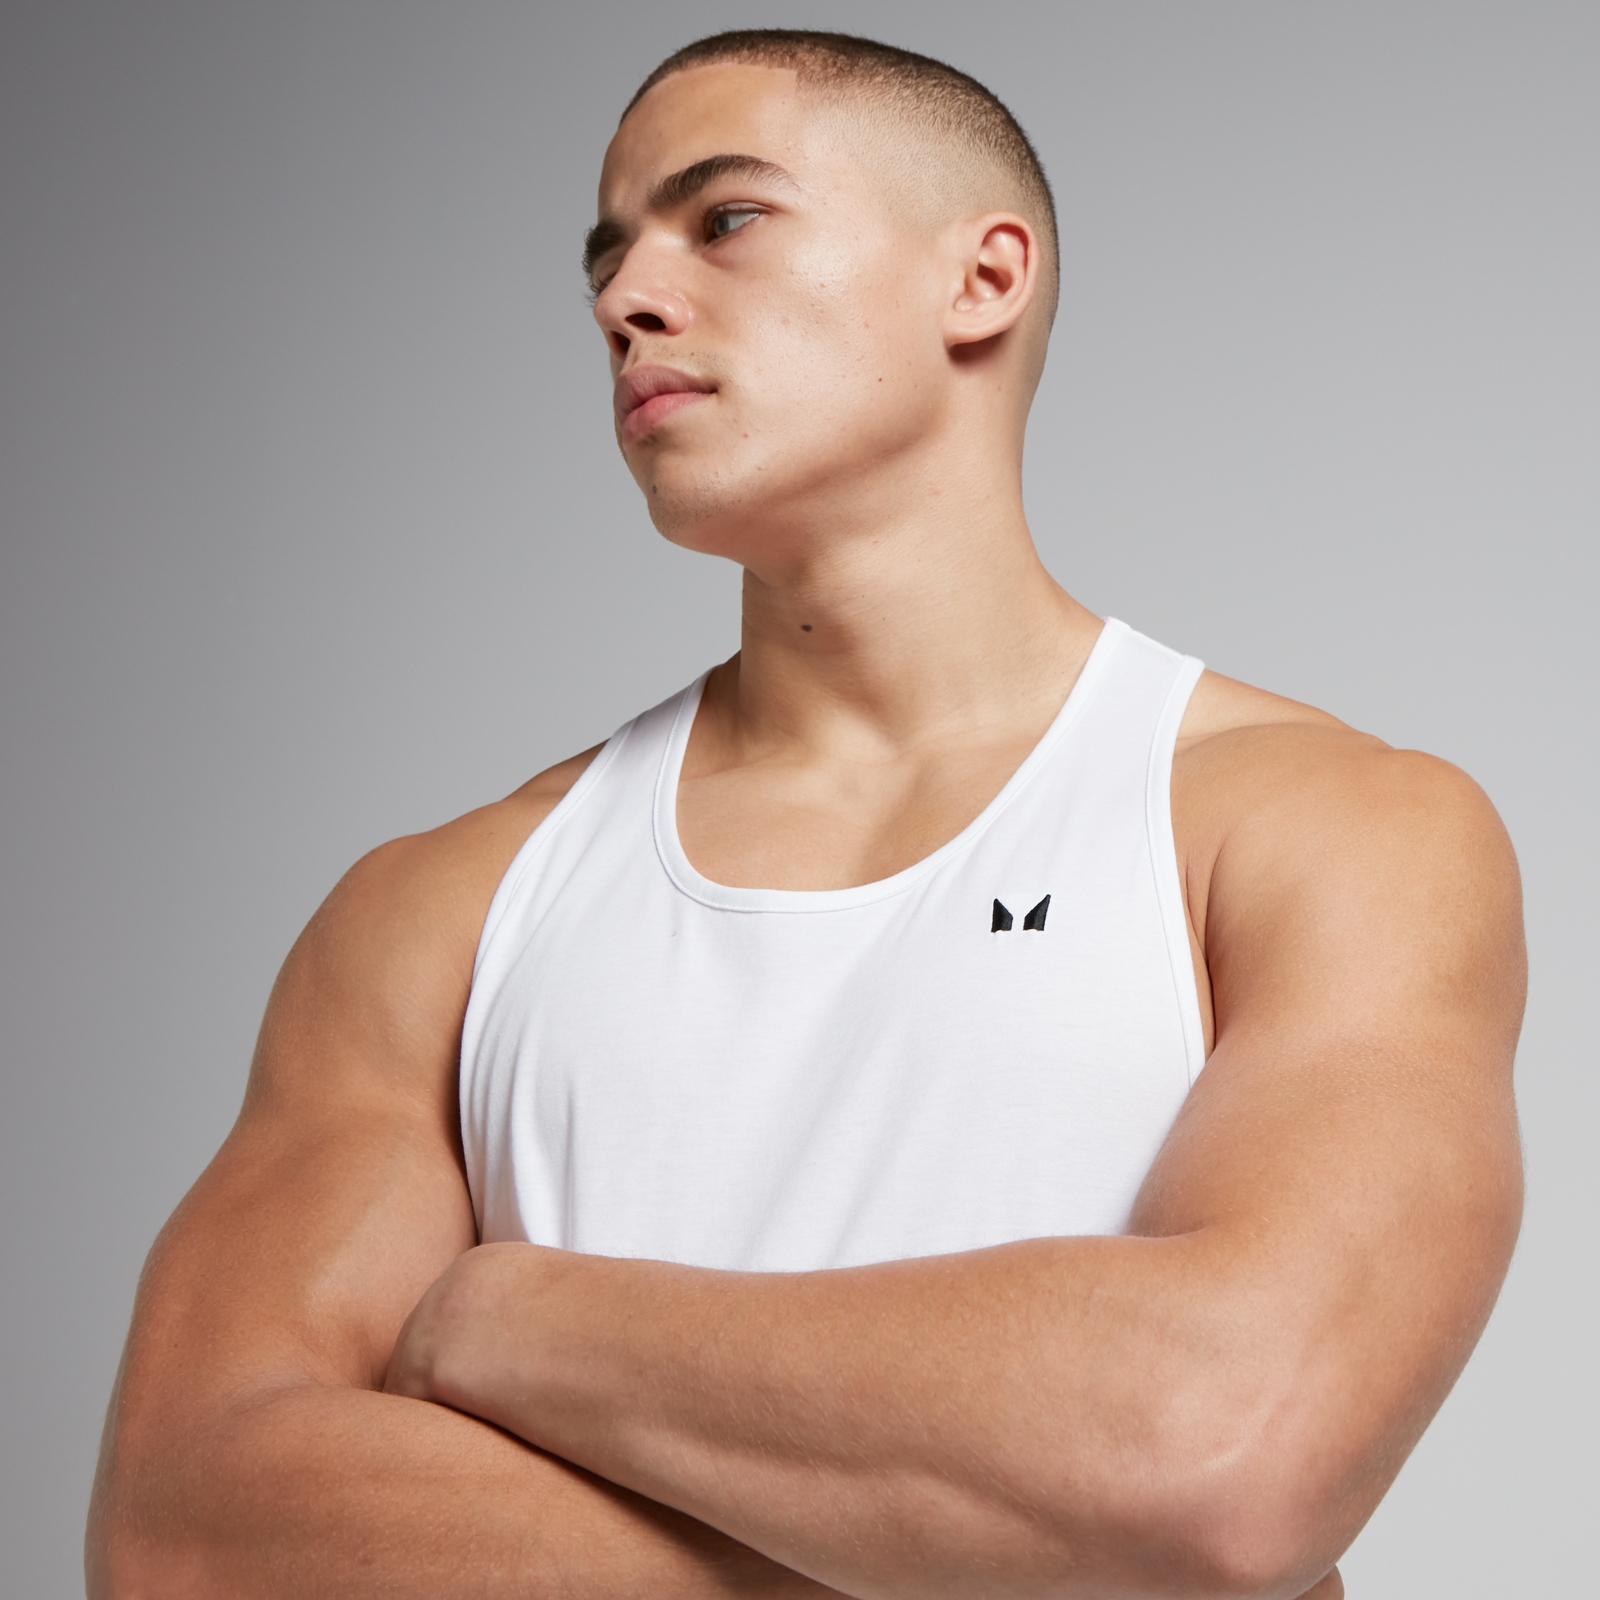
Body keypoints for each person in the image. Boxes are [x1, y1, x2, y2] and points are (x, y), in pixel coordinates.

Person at [86, 30, 1524, 1600]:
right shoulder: (443, 907)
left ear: (982, 279)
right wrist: (998, 1541)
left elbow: (1222, 1458)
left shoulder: (1330, 830)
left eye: (724, 220)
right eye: (607, 257)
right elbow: (184, 1533)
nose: (626, 298)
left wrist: (506, 1318)